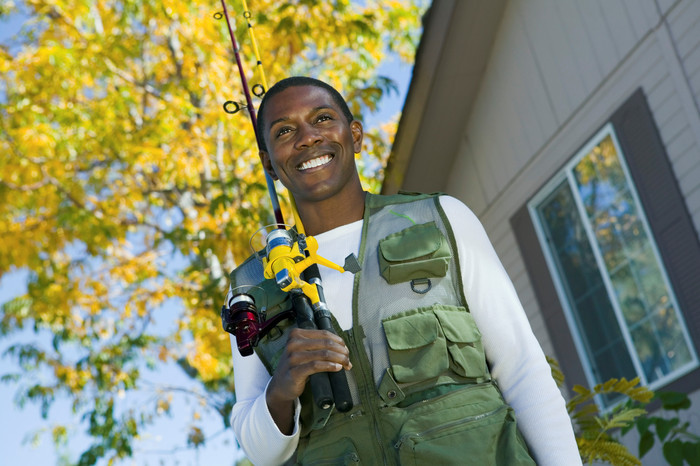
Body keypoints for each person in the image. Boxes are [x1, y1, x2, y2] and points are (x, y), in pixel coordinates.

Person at [226, 76, 581, 465]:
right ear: (269, 163)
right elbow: (260, 452)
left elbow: (522, 370)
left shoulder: (442, 218)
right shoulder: (251, 287)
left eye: (323, 119)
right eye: (284, 130)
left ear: (355, 135)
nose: (307, 138)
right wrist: (281, 390)